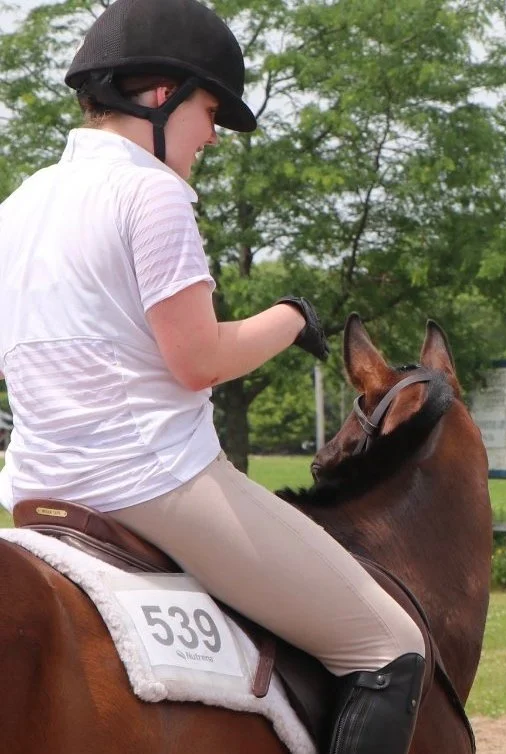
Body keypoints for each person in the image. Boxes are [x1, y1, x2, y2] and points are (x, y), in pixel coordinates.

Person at [0, 0, 425, 751]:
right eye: (209, 112)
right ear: (162, 96)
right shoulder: (151, 192)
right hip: (156, 484)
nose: (212, 137)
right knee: (389, 647)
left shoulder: (20, 204)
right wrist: (290, 317)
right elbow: (198, 361)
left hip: (38, 491)